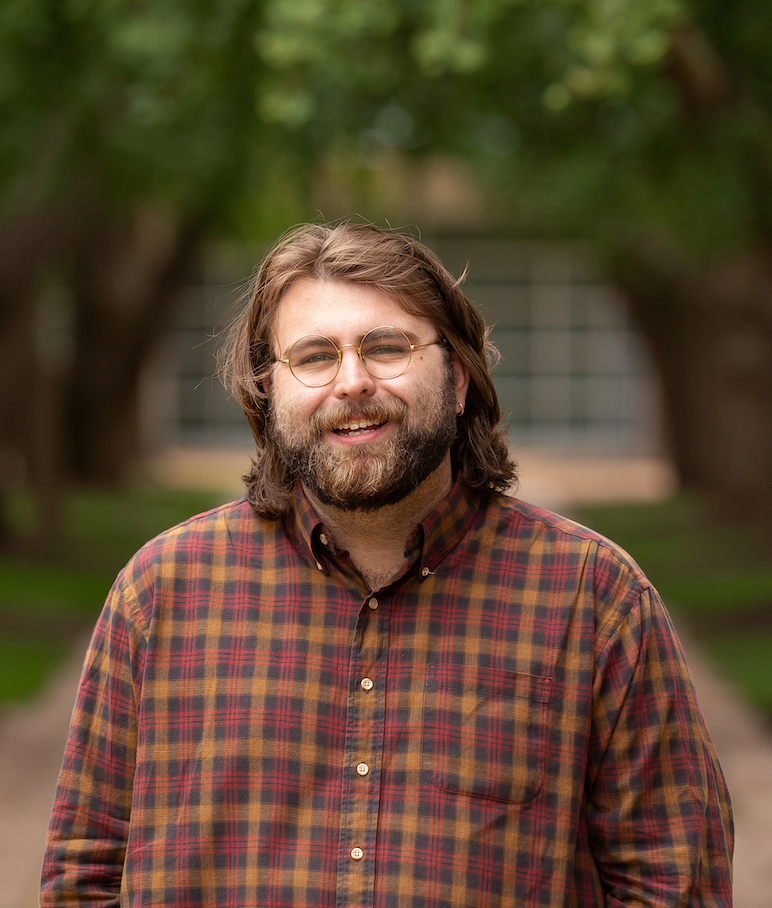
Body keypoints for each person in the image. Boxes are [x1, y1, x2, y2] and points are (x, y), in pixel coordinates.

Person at [41, 222, 733, 907]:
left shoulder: (594, 598)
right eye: (314, 357)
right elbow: (84, 877)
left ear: (458, 377)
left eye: (386, 348)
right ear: (268, 392)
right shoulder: (161, 593)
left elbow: (675, 881)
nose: (352, 382)